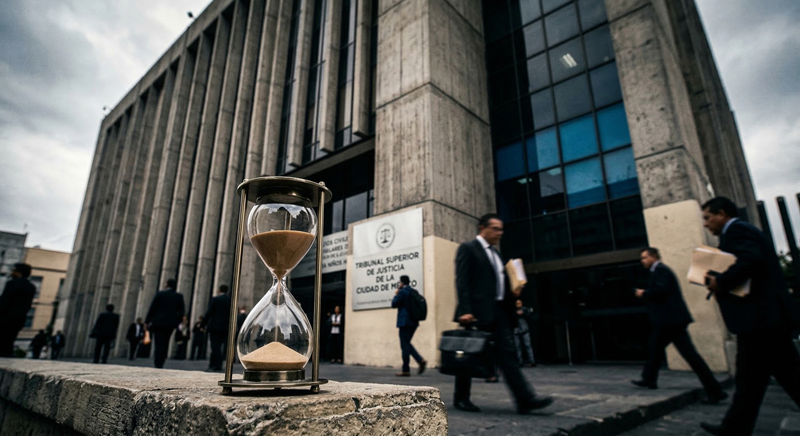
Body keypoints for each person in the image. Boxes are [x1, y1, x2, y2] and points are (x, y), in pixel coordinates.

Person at [698, 197, 800, 436]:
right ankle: (735, 428)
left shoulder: (738, 231)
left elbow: (749, 261)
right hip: (761, 321)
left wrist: (720, 282)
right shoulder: (740, 232)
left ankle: (734, 428)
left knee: (777, 377)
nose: (705, 224)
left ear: (721, 214)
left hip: (762, 321)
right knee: (752, 381)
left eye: (707, 217)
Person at [452, 213, 553, 414]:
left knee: (508, 356)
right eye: (496, 228)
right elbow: (462, 281)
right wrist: (465, 310)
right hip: (477, 313)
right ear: (483, 228)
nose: (500, 233)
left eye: (501, 229)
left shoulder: (496, 255)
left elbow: (497, 284)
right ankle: (461, 398)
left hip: (499, 312)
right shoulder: (469, 249)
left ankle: (525, 400)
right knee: (470, 355)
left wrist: (512, 293)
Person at [632, 247, 727, 404]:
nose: (642, 261)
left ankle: (715, 390)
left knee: (689, 355)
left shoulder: (661, 270)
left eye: (644, 258)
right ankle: (648, 378)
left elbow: (661, 290)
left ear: (654, 257)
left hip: (671, 320)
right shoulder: (659, 271)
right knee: (655, 348)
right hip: (669, 321)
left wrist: (644, 294)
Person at [145, 279, 185, 369]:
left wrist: (147, 321)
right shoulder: (178, 296)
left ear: (167, 285)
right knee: (165, 342)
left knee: (158, 342)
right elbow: (181, 312)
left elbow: (152, 309)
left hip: (158, 323)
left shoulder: (160, 294)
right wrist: (177, 322)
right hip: (170, 324)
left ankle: (158, 362)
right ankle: (162, 359)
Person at [391, 275, 427, 376]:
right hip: (413, 322)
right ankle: (417, 362)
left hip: (404, 322)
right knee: (406, 344)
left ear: (401, 282)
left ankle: (408, 368)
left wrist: (396, 293)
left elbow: (394, 304)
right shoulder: (413, 291)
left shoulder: (402, 292)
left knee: (405, 344)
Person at [0, 263, 36, 357]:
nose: (12, 272)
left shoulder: (12, 284)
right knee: (9, 341)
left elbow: (4, 301)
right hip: (19, 319)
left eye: (14, 270)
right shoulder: (31, 287)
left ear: (19, 272)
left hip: (5, 317)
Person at [203, 285, 231, 372]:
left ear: (219, 290)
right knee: (219, 346)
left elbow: (209, 312)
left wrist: (203, 323)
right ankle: (212, 364)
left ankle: (217, 364)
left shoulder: (215, 299)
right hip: (225, 327)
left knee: (215, 346)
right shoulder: (230, 300)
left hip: (215, 327)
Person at [513, 299, 536, 367]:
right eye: (517, 303)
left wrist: (524, 313)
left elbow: (530, 316)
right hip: (516, 329)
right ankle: (520, 361)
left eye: (519, 303)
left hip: (524, 329)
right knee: (517, 346)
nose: (518, 305)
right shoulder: (513, 310)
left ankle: (532, 361)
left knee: (527, 345)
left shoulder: (525, 309)